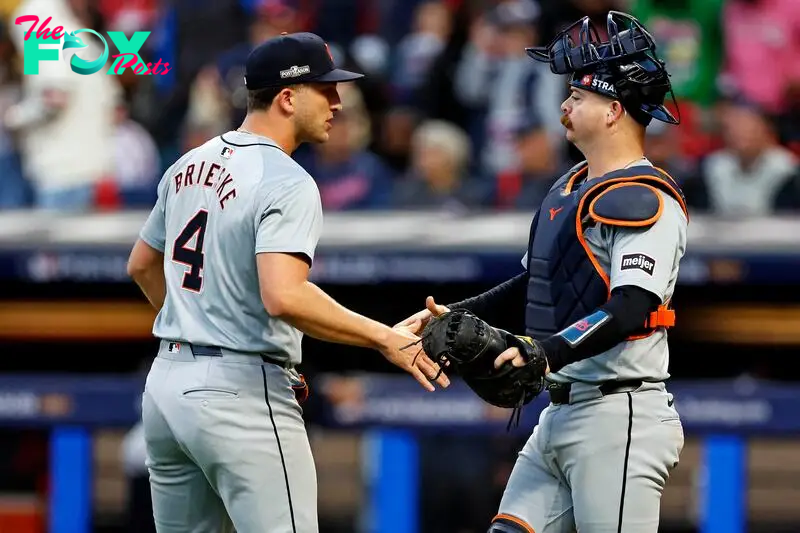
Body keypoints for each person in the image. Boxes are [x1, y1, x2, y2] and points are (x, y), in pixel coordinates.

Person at [126, 31, 449, 533]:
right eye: (327, 90)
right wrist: (386, 337)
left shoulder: (188, 161)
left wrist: (197, 320)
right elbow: (284, 295)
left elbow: (142, 266)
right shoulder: (287, 179)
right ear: (288, 97)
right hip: (240, 393)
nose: (339, 103)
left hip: (166, 386)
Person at [399, 12, 688, 533]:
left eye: (579, 97)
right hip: (558, 411)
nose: (564, 106)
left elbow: (630, 307)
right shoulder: (568, 188)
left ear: (614, 111)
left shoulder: (645, 197)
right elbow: (532, 286)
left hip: (620, 414)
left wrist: (543, 350)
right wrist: (454, 314)